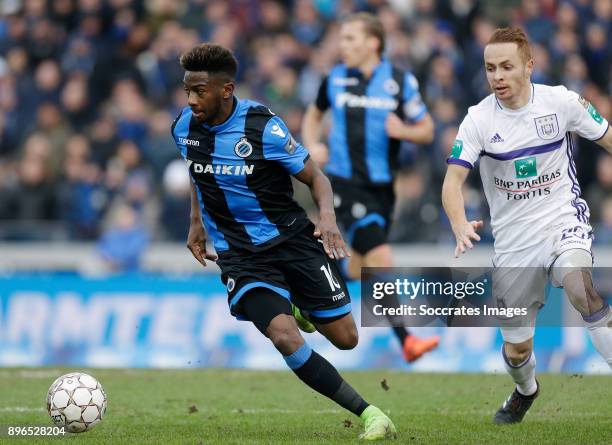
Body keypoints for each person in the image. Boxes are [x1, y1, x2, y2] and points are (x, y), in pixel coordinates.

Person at [172, 43, 396, 441]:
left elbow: (317, 179)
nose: (191, 100)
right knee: (284, 336)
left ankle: (296, 301)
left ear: (226, 89)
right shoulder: (183, 128)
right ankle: (370, 413)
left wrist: (327, 219)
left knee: (346, 339)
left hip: (292, 239)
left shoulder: (262, 127)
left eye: (199, 91)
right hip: (240, 256)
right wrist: (196, 223)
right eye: (187, 91)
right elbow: (197, 172)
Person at [442, 27, 612, 424]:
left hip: (562, 221)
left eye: (506, 67)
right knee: (517, 351)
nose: (497, 76)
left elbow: (607, 137)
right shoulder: (478, 121)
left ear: (529, 66)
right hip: (514, 245)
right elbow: (451, 182)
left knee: (581, 287)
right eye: (490, 68)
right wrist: (458, 223)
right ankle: (525, 390)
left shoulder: (562, 102)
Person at [302, 12, 440, 363]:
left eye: (349, 38)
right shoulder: (334, 79)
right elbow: (313, 114)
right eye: (342, 38)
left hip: (382, 189)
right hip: (344, 184)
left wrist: (403, 131)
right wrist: (311, 145)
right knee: (380, 257)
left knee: (358, 266)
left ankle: (307, 300)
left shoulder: (399, 81)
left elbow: (426, 129)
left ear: (373, 43)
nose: (342, 45)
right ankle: (407, 339)